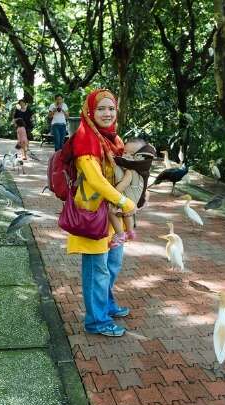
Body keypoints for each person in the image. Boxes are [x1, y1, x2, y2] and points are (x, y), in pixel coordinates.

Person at [67, 89, 136, 337]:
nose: (107, 113)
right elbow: (95, 180)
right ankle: (96, 321)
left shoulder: (112, 139)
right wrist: (124, 201)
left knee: (113, 264)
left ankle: (106, 304)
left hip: (111, 216)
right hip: (92, 215)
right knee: (97, 270)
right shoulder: (85, 139)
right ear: (89, 111)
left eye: (111, 108)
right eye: (100, 108)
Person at [108, 138, 156, 248]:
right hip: (135, 199)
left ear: (139, 156)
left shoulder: (130, 171)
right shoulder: (142, 169)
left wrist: (111, 194)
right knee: (127, 213)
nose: (126, 156)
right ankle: (130, 231)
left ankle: (120, 234)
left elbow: (123, 185)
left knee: (111, 211)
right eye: (125, 152)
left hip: (128, 198)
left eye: (132, 154)